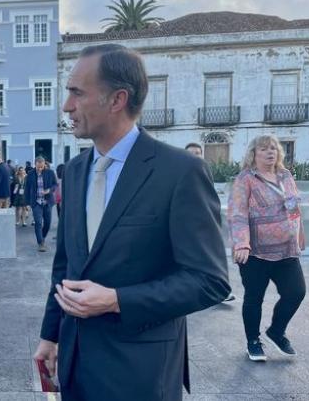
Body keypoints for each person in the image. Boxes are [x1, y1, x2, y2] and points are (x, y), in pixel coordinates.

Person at [33, 44, 230, 401]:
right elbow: (65, 266)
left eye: (77, 93)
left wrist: (117, 300)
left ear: (117, 99)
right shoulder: (75, 172)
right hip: (75, 367)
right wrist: (51, 335)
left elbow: (209, 281)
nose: (67, 106)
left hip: (141, 373)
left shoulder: (180, 172)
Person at [228, 135, 306, 362]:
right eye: (264, 149)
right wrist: (242, 243)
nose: (270, 152)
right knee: (254, 298)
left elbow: (293, 207)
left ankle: (276, 331)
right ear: (254, 153)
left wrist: (300, 233)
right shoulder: (245, 179)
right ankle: (253, 341)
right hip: (255, 252)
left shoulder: (285, 176)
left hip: (287, 250)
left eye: (273, 148)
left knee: (296, 292)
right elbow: (237, 213)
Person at [185, 142, 237, 304]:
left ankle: (219, 292)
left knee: (211, 260)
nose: (195, 156)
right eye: (191, 153)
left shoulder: (205, 173)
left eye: (198, 153)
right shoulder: (179, 175)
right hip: (186, 228)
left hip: (205, 227)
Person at [24, 156, 57, 252]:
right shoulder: (30, 174)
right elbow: (27, 189)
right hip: (36, 202)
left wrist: (49, 190)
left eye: (41, 167)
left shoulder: (50, 173)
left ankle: (42, 237)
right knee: (38, 223)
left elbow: (55, 185)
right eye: (38, 167)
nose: (39, 169)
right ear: (35, 164)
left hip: (47, 202)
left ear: (44, 165)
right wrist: (26, 203)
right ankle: (41, 243)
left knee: (47, 223)